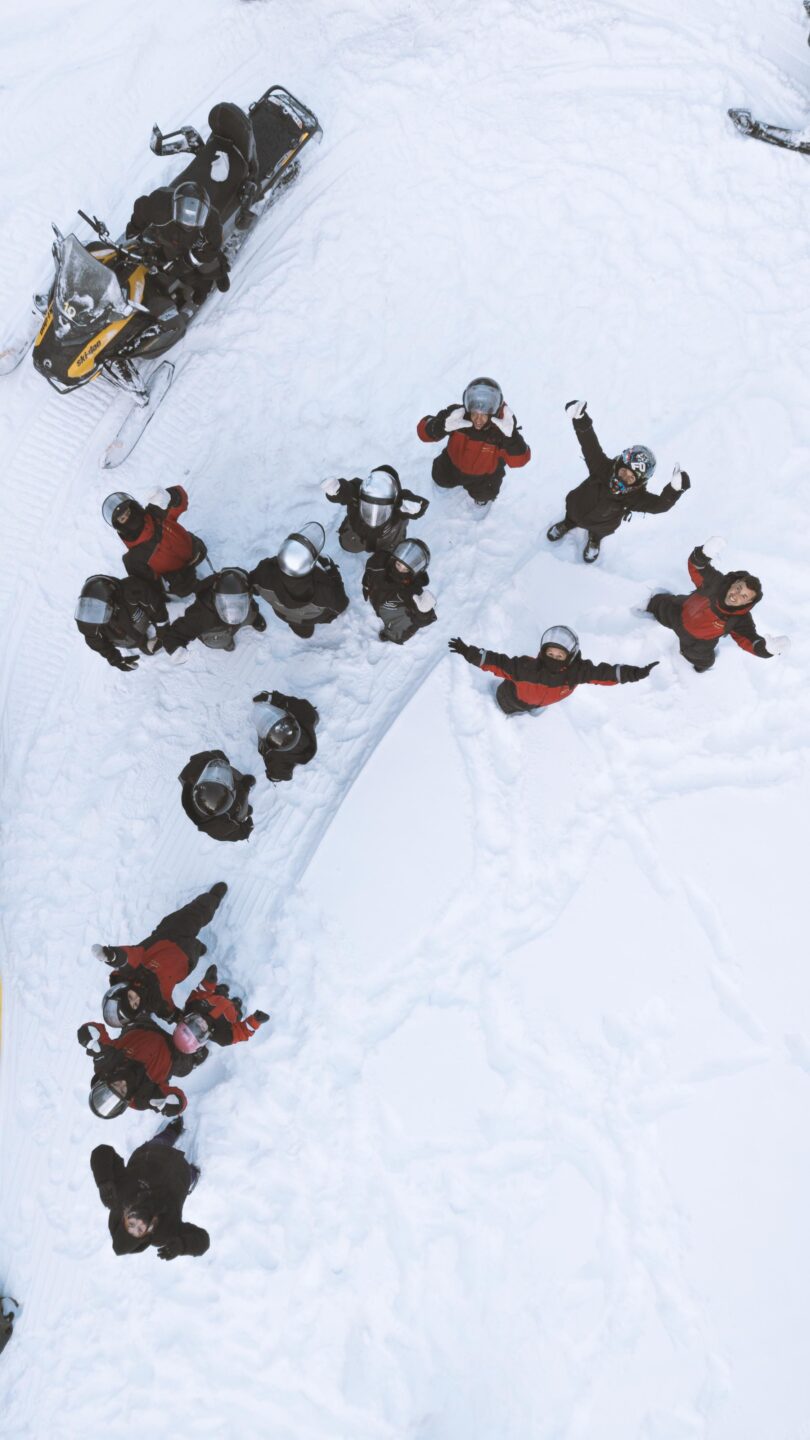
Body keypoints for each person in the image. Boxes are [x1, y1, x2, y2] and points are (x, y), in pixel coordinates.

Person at [546, 400, 688, 563]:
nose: (623, 478)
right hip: (578, 506)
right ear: (619, 464)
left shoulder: (635, 497)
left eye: (631, 478)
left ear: (638, 482)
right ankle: (568, 523)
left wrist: (674, 490)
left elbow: (659, 506)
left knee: (599, 531)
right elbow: (589, 444)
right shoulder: (601, 468)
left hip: (602, 524)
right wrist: (580, 419)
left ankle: (594, 539)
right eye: (623, 471)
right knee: (572, 515)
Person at [92, 883, 228, 1026]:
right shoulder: (155, 1002)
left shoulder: (130, 972)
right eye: (135, 1004)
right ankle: (199, 948)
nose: (136, 998)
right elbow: (169, 1011)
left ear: (122, 989)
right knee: (195, 948)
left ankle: (213, 898)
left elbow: (127, 957)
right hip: (185, 960)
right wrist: (177, 1019)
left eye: (130, 996)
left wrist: (111, 956)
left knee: (195, 913)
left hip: (168, 934)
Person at [645, 538, 788, 672]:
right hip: (678, 612)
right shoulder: (715, 584)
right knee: (656, 603)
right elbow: (697, 567)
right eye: (738, 588)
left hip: (698, 643)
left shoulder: (740, 620)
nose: (735, 595)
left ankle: (698, 670)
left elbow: (750, 641)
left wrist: (767, 650)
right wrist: (703, 554)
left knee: (704, 661)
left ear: (748, 602)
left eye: (743, 596)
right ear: (733, 583)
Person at [448, 625, 658, 715]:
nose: (554, 659)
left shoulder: (576, 672)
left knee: (531, 707)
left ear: (570, 656)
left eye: (560, 656)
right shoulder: (525, 668)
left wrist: (634, 673)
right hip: (511, 698)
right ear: (543, 652)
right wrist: (470, 652)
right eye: (551, 654)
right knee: (507, 707)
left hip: (541, 702)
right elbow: (496, 662)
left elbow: (606, 673)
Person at [90, 1118, 209, 1258]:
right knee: (191, 1174)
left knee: (163, 1139)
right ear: (146, 1233)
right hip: (181, 1176)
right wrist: (182, 1245)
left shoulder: (118, 1197)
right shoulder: (164, 1232)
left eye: (132, 1224)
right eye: (140, 1229)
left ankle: (173, 1130)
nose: (139, 1222)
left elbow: (102, 1151)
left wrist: (104, 1181)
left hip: (154, 1154)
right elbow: (202, 1240)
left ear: (124, 1219)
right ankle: (194, 1173)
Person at [417, 377, 531, 505]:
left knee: (485, 494)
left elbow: (520, 461)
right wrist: (440, 426)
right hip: (452, 465)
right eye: (475, 413)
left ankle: (482, 497)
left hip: (484, 477)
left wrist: (512, 437)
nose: (478, 419)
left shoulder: (502, 430)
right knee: (439, 478)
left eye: (484, 414)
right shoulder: (456, 416)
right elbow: (422, 433)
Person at [126, 180, 230, 305]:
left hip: (194, 243)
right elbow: (141, 209)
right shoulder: (158, 206)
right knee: (180, 273)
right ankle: (197, 285)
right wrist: (134, 230)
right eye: (186, 216)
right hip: (170, 237)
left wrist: (185, 262)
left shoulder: (212, 221)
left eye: (194, 217)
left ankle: (217, 275)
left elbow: (211, 249)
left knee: (208, 264)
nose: (189, 222)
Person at [102, 487, 208, 598]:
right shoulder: (133, 559)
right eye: (123, 519)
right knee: (183, 589)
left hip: (197, 551)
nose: (129, 518)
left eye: (128, 512)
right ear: (120, 526)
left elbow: (182, 501)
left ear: (134, 507)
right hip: (183, 578)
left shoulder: (155, 513)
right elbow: (151, 588)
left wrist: (171, 495)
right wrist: (170, 582)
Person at [249, 523, 348, 638]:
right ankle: (304, 628)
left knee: (300, 626)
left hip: (282, 613)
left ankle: (299, 627)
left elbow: (252, 585)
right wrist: (333, 572)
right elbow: (341, 604)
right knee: (305, 625)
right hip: (311, 617)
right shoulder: (324, 589)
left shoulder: (264, 573)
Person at [77, 1018, 189, 1119]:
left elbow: (99, 1037)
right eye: (122, 1091)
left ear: (107, 1081)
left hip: (145, 1022)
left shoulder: (106, 1064)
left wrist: (89, 1034)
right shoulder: (142, 1098)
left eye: (115, 1085)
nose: (122, 1084)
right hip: (174, 1049)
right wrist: (174, 1104)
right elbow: (175, 1097)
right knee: (188, 1065)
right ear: (126, 1099)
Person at [322, 465, 429, 553]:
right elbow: (347, 490)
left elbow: (417, 504)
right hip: (360, 529)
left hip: (389, 535)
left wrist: (416, 507)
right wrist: (337, 490)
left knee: (391, 555)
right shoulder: (360, 490)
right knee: (348, 544)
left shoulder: (400, 499)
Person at [154, 569, 266, 654]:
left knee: (250, 612)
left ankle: (253, 618)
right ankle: (225, 642)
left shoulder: (245, 594)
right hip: (219, 627)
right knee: (216, 640)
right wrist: (175, 648)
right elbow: (179, 632)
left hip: (243, 611)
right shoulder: (203, 612)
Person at [75, 573, 167, 671]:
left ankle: (143, 641)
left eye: (100, 609)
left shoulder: (132, 590)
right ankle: (141, 643)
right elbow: (93, 638)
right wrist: (115, 659)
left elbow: (156, 605)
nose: (94, 614)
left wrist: (163, 629)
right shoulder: (88, 616)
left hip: (140, 619)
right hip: (129, 636)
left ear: (112, 601)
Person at [173, 965, 269, 1055]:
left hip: (217, 998)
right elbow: (242, 1031)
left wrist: (208, 982)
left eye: (194, 1021)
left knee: (220, 990)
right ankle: (237, 1005)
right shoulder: (223, 1037)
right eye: (201, 1028)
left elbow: (201, 993)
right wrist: (255, 1021)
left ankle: (222, 990)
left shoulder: (192, 1007)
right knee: (236, 1010)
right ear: (203, 1037)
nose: (201, 1021)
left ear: (187, 1019)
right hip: (231, 1013)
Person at [362, 538, 437, 644]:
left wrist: (424, 613)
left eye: (405, 569)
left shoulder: (412, 591)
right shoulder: (378, 563)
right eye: (398, 564)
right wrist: (366, 587)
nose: (399, 570)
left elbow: (420, 620)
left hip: (391, 610)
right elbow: (369, 573)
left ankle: (391, 635)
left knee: (401, 632)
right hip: (377, 599)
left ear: (413, 572)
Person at [179, 751, 255, 842]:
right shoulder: (218, 827)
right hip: (234, 805)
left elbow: (209, 756)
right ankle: (244, 801)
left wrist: (219, 761)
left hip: (225, 781)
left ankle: (243, 787)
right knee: (240, 807)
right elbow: (233, 834)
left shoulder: (193, 770)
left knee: (235, 786)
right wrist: (245, 830)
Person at [252, 690, 318, 782]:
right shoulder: (307, 715)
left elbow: (279, 774)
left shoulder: (276, 758)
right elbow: (291, 703)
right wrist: (272, 698)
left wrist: (274, 777)